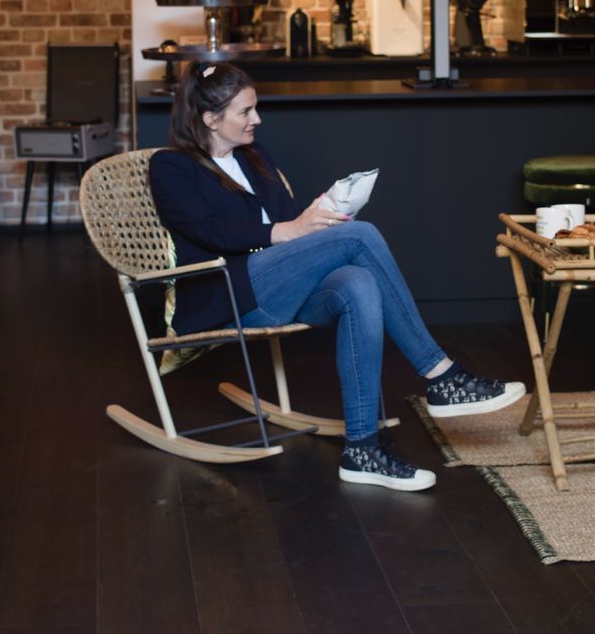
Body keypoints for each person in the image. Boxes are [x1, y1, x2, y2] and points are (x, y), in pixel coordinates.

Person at [148, 62, 525, 492]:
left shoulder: (254, 158)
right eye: (245, 112)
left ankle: (362, 449)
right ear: (210, 119)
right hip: (229, 293)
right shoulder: (171, 166)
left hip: (278, 285)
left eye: (256, 109)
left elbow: (288, 225)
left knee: (357, 284)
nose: (258, 119)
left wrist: (318, 217)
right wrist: (286, 231)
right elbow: (208, 231)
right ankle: (441, 376)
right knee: (360, 237)